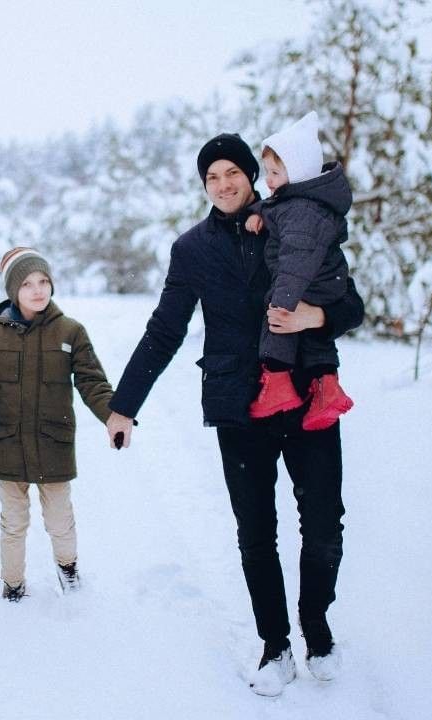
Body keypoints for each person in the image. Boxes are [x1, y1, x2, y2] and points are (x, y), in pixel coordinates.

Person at [104, 133, 364, 696]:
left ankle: (316, 628)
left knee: (323, 525)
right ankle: (275, 645)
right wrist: (124, 405)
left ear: (251, 174)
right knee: (256, 534)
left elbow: (351, 305)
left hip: (306, 393)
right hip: (237, 406)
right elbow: (165, 331)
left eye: (232, 172)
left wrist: (313, 318)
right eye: (211, 177)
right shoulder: (192, 249)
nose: (223, 184)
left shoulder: (295, 220)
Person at [0, 248, 113, 601]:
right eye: (27, 283)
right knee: (13, 523)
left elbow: (93, 382)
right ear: (13, 289)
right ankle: (12, 584)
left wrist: (113, 415)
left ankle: (68, 569)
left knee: (60, 520)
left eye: (43, 281)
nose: (37, 290)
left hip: (53, 442)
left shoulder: (71, 331)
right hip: (8, 444)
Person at [243, 111, 355, 429]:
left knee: (278, 319)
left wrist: (283, 301)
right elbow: (276, 206)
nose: (268, 180)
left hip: (310, 281)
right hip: (325, 281)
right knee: (310, 336)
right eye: (268, 171)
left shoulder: (303, 212)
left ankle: (277, 381)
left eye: (275, 172)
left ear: (298, 172)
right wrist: (259, 212)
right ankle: (326, 386)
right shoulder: (298, 202)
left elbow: (295, 259)